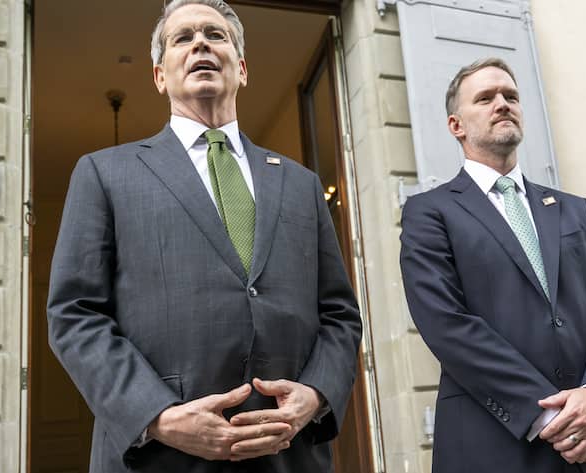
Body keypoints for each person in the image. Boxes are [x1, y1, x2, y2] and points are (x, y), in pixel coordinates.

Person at [46, 1, 362, 472]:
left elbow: (339, 314)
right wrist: (157, 416)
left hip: (289, 456)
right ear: (159, 77)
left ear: (242, 69)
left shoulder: (301, 183)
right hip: (160, 458)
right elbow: (74, 314)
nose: (200, 44)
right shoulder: (103, 173)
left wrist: (316, 394)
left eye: (215, 35)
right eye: (183, 38)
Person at [399, 57, 586, 473]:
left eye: (511, 96)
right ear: (456, 125)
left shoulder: (577, 211)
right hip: (494, 442)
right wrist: (551, 417)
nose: (502, 104)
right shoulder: (429, 213)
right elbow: (445, 323)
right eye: (485, 98)